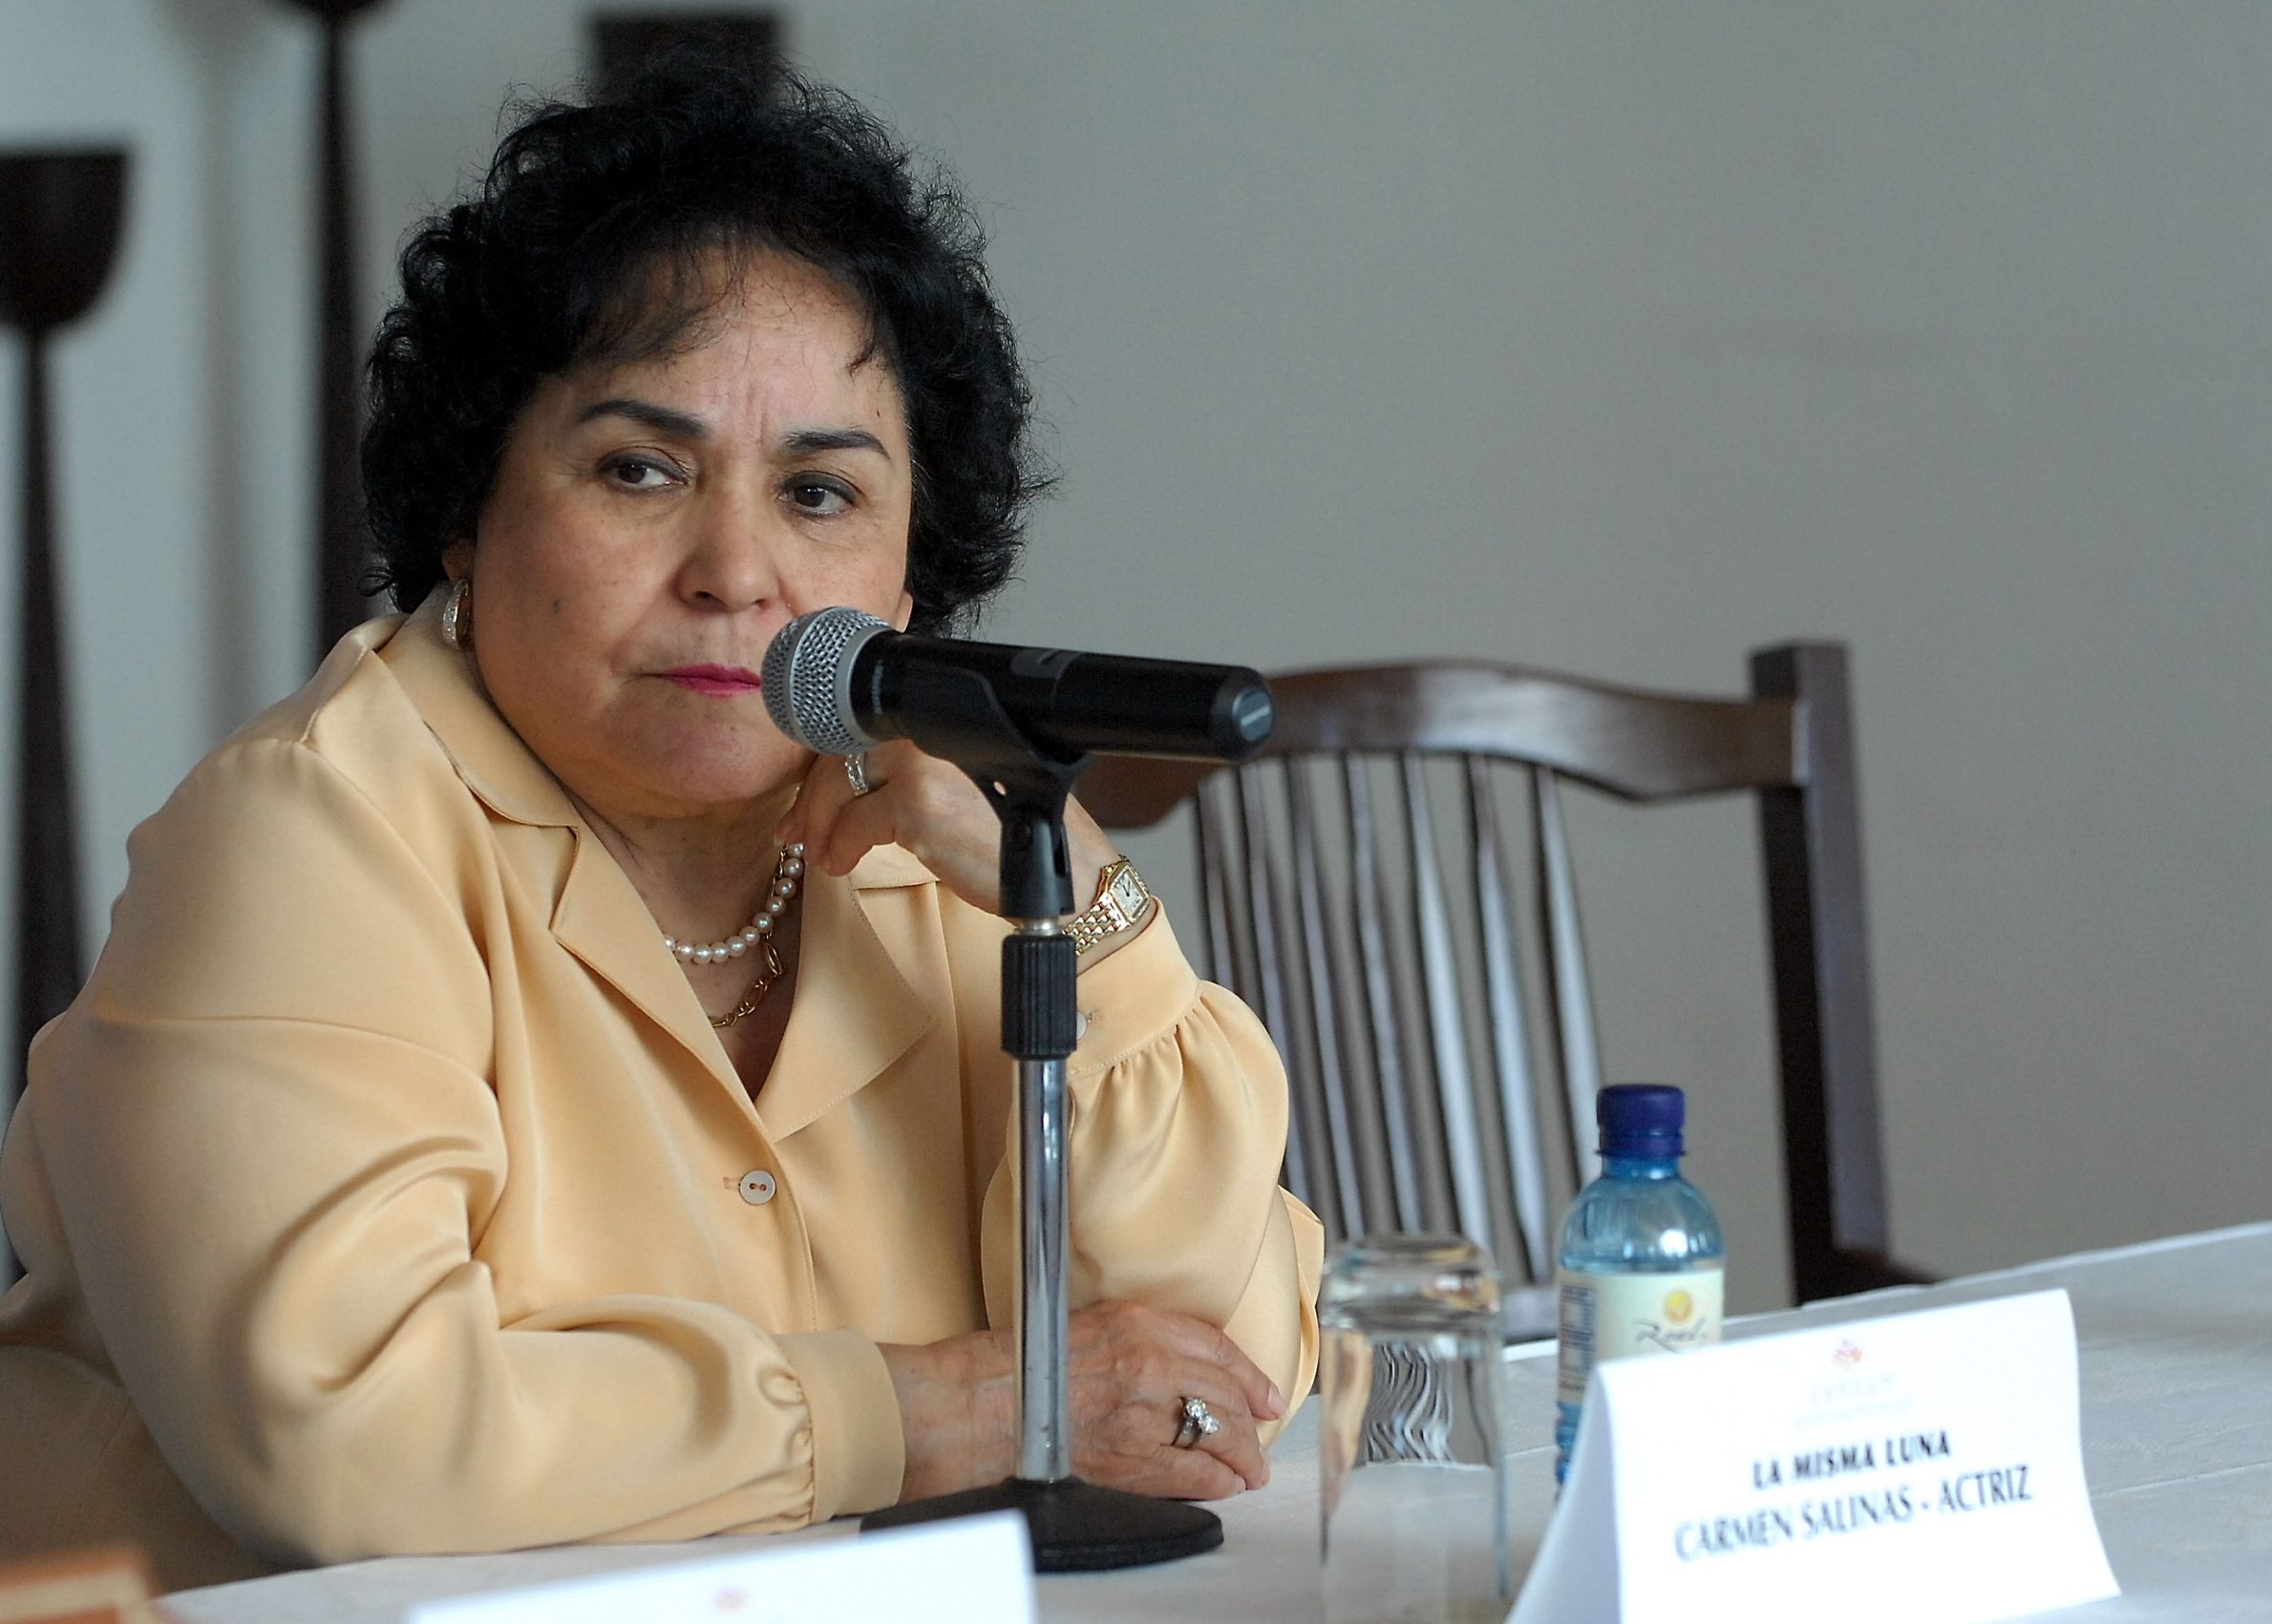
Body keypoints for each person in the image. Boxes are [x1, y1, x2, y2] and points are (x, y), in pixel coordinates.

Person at [0, 62, 1320, 1591]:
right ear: (466, 515)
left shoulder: (944, 842)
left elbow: (1211, 1376)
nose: (735, 570)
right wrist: (937, 1410)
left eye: (819, 493)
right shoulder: (306, 832)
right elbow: (356, 1438)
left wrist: (1087, 908)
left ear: (906, 581)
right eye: (641, 469)